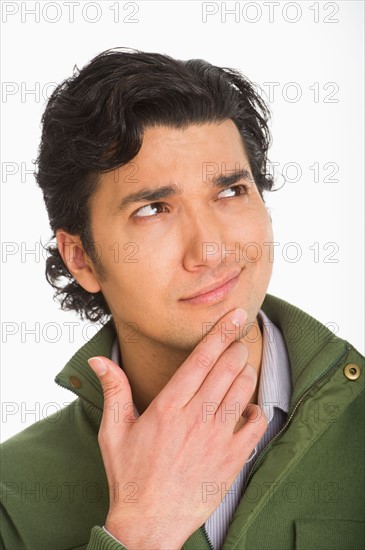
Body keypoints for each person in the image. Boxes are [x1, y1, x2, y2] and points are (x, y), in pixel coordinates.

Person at [0, 48, 363, 550]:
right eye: (153, 209)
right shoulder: (11, 493)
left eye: (231, 191)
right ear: (81, 257)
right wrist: (139, 532)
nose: (210, 250)